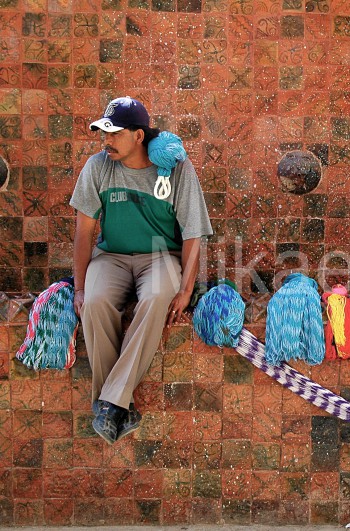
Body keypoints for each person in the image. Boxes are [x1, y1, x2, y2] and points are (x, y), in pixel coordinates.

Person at [70, 96, 213, 444]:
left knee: (156, 297)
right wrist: (79, 288)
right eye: (104, 133)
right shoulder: (98, 166)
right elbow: (84, 232)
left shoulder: (176, 168)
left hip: (161, 256)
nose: (106, 141)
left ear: (138, 136)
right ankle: (120, 405)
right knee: (95, 301)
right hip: (111, 257)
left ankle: (108, 404)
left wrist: (186, 289)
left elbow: (193, 232)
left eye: (114, 134)